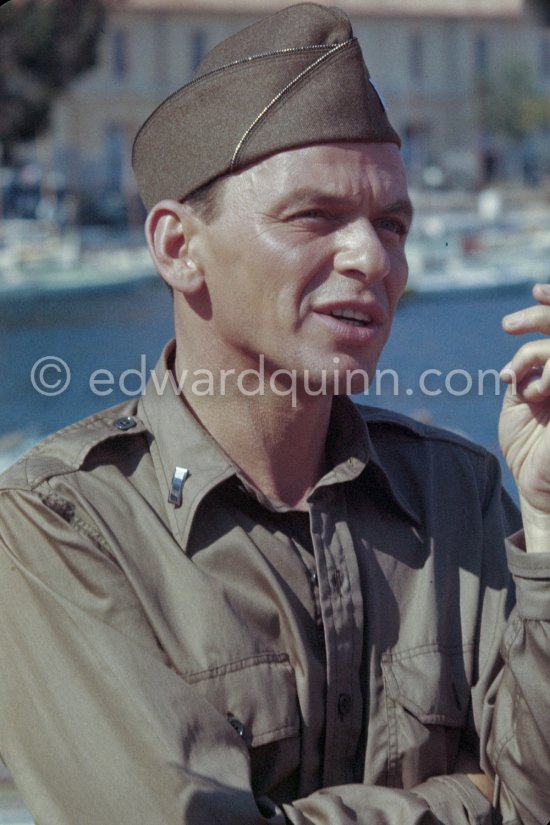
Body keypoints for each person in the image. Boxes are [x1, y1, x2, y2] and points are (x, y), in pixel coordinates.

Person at [0, 4, 549, 823]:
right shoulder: (61, 527)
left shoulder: (459, 494)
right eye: (316, 217)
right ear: (179, 248)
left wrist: (545, 521)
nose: (375, 259)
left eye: (391, 224)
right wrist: (475, 799)